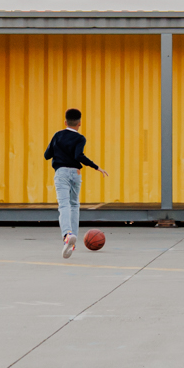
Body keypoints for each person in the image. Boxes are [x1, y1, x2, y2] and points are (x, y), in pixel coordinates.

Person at [43, 108, 103, 260]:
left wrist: (58, 149)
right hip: (76, 173)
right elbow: (78, 156)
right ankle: (73, 240)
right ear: (80, 123)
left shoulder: (58, 135)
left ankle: (67, 234)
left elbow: (46, 155)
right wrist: (96, 167)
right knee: (74, 205)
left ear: (65, 122)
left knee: (63, 205)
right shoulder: (80, 138)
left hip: (61, 173)